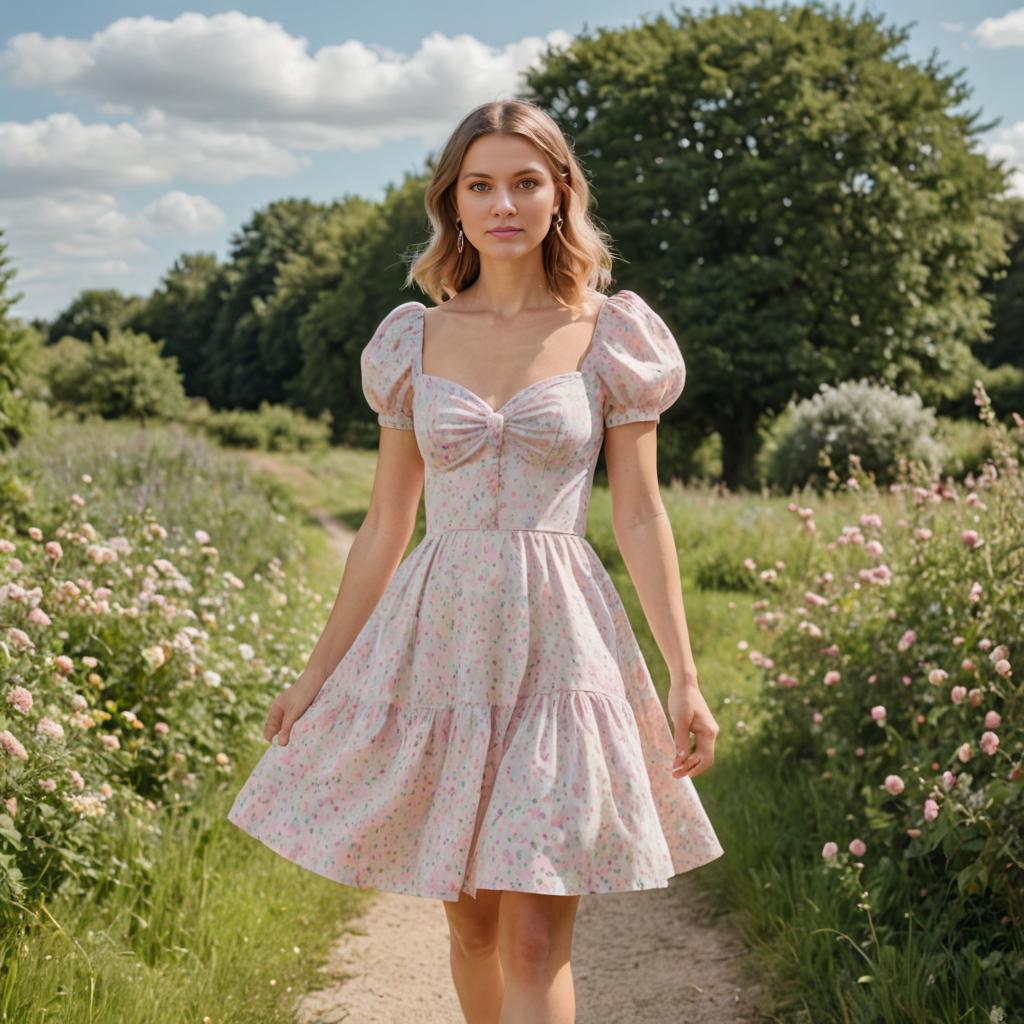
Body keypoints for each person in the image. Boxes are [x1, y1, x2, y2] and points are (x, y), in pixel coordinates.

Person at [228, 98, 724, 1024]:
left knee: (537, 936)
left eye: (525, 182)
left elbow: (641, 512)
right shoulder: (412, 340)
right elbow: (385, 524)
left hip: (561, 647)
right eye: (481, 184)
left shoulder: (612, 333)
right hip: (442, 643)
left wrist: (683, 678)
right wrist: (315, 675)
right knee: (473, 928)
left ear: (559, 194)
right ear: (452, 202)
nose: (504, 203)